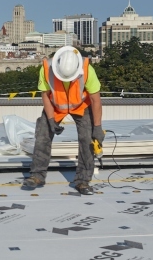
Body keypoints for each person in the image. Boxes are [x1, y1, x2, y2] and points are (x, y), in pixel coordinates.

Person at [23, 46, 104, 195]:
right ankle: (37, 175)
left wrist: (97, 127)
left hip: (81, 106)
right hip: (55, 106)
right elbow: (46, 96)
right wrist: (51, 119)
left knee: (87, 139)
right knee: (42, 135)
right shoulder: (47, 68)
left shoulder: (87, 69)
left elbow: (96, 100)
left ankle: (83, 180)